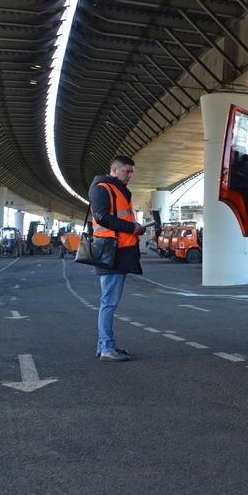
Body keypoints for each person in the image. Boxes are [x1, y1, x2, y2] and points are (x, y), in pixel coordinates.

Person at [89, 155, 146, 362]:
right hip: (110, 252)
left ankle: (105, 344)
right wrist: (133, 228)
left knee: (109, 301)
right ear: (114, 170)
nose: (130, 175)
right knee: (109, 302)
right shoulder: (103, 188)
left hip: (119, 251)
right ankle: (106, 347)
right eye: (127, 171)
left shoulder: (117, 189)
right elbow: (102, 217)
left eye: (131, 172)